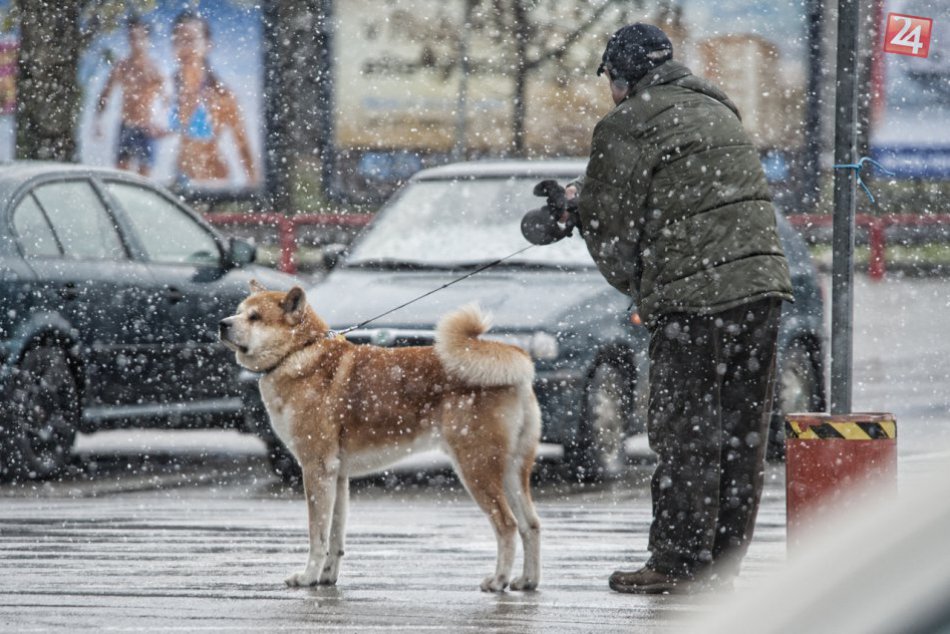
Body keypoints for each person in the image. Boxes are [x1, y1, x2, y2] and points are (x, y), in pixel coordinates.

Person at [569, 23, 794, 594]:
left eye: (611, 81)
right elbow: (681, 182)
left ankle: (676, 562)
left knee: (687, 430)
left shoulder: (626, 121)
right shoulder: (717, 107)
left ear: (621, 78)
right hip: (762, 288)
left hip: (696, 299)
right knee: (742, 432)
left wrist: (639, 286)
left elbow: (610, 225)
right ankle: (722, 564)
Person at [169, 11, 258, 187]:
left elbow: (243, 148)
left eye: (191, 39)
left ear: (208, 45)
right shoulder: (166, 88)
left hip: (214, 180)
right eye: (178, 40)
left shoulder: (221, 95)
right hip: (180, 180)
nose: (184, 47)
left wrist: (257, 194)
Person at [94, 17, 165, 176]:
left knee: (144, 177)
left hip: (147, 127)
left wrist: (160, 123)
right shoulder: (122, 66)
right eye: (132, 37)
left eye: (140, 37)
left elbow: (166, 100)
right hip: (127, 125)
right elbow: (106, 94)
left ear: (147, 39)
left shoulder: (154, 68)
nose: (136, 42)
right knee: (121, 174)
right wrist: (98, 121)